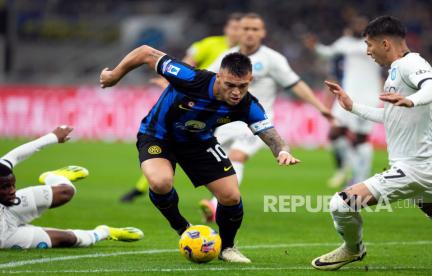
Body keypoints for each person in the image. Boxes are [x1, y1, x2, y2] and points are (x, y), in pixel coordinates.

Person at [100, 47, 300, 263]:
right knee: (160, 182)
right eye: (230, 85)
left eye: (242, 86)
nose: (236, 92)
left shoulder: (247, 104)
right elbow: (146, 53)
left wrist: (282, 152)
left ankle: (227, 247)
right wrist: (114, 75)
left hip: (198, 142)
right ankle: (183, 228)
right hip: (158, 136)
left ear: (250, 80)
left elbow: (270, 134)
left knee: (231, 196)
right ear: (219, 76)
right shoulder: (191, 77)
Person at [311, 15, 432, 271]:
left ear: (385, 43)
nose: (368, 51)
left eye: (369, 45)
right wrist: (352, 107)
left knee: (341, 202)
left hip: (415, 167)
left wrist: (412, 100)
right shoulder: (395, 71)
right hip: (423, 161)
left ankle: (353, 249)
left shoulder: (410, 63)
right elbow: (391, 116)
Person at [201, 13, 332, 222]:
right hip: (225, 121)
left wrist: (319, 106)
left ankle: (215, 205)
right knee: (221, 166)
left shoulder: (272, 59)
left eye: (255, 29)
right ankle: (220, 203)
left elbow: (295, 83)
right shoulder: (229, 56)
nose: (250, 33)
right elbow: (204, 78)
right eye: (246, 29)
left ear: (262, 33)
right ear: (238, 31)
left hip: (255, 122)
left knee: (237, 156)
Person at [120, 13, 243, 203]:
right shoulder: (209, 44)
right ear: (227, 29)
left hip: (221, 108)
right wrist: (175, 82)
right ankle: (142, 187)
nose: (238, 32)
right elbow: (188, 64)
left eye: (242, 29)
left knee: (222, 152)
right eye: (235, 28)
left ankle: (218, 198)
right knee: (171, 146)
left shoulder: (245, 56)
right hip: (192, 105)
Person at [0, 126, 144, 249]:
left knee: (65, 192)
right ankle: (105, 232)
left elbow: (14, 156)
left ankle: (51, 177)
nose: (13, 190)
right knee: (68, 239)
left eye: (12, 185)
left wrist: (52, 137)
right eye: (5, 187)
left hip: (8, 210)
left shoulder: (8, 189)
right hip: (6, 236)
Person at [303, 16, 382, 188]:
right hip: (347, 95)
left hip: (368, 98)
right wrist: (314, 46)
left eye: (361, 25)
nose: (357, 27)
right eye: (355, 24)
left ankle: (361, 177)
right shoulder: (345, 42)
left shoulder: (375, 43)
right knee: (334, 133)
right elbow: (326, 52)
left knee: (361, 138)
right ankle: (352, 167)